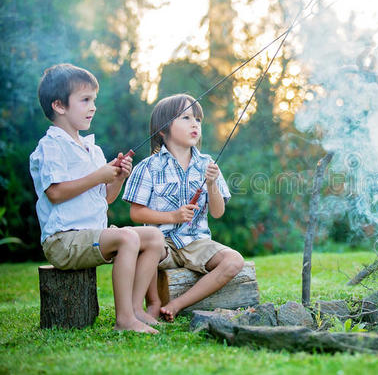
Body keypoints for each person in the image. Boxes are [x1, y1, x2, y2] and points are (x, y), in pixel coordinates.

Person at [29, 63, 166, 334]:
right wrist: (99, 175)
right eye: (85, 100)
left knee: (153, 237)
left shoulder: (92, 148)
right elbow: (55, 193)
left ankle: (136, 309)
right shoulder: (51, 146)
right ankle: (124, 319)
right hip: (63, 240)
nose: (93, 107)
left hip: (92, 234)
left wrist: (117, 178)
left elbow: (104, 199)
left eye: (94, 100)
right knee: (127, 237)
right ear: (59, 105)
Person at [123, 93, 244, 322]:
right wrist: (172, 216)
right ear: (162, 129)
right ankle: (153, 303)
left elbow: (218, 212)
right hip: (162, 243)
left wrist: (211, 184)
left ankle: (177, 304)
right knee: (144, 245)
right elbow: (136, 213)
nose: (194, 124)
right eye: (186, 118)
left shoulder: (207, 164)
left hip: (196, 242)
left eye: (197, 119)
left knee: (234, 260)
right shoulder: (148, 167)